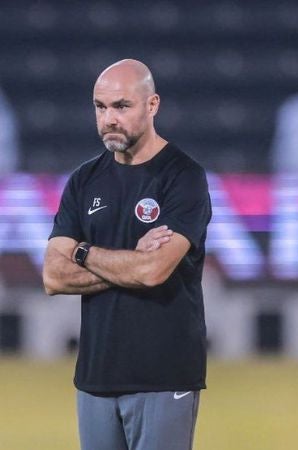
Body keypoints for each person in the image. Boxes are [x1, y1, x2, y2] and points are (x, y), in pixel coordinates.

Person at [42, 59, 211, 450]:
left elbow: (153, 271)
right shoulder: (84, 180)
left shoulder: (183, 177)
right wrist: (128, 261)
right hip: (96, 378)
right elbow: (53, 275)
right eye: (100, 107)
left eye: (121, 106)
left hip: (163, 376)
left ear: (152, 105)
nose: (109, 119)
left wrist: (81, 252)